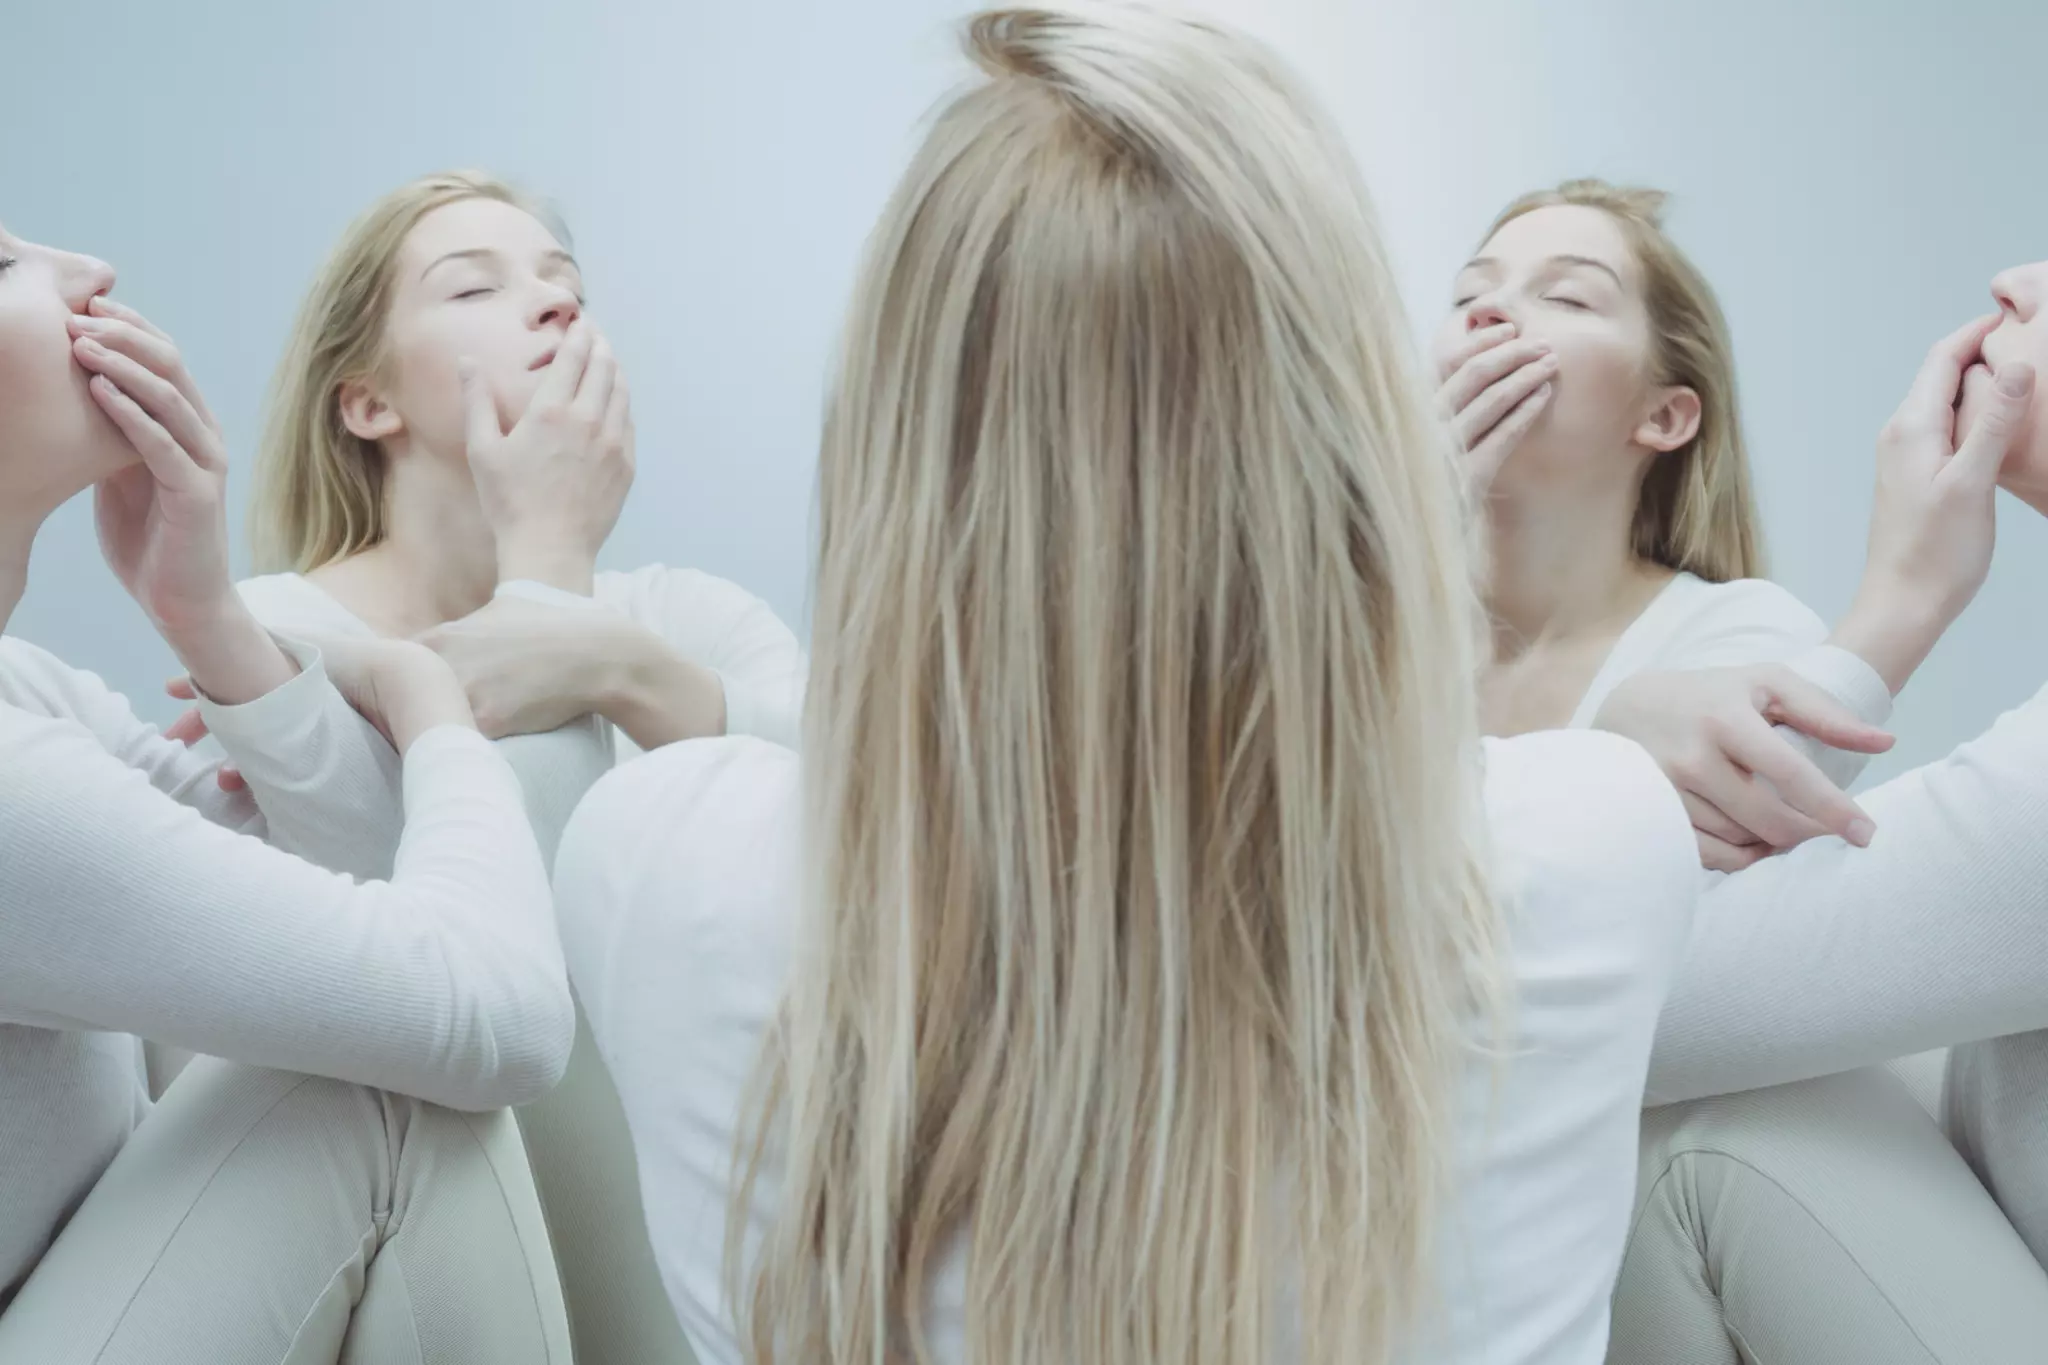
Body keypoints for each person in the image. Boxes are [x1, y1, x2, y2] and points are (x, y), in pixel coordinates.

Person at [552, 8, 1706, 1364]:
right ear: (1357, 428)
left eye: (1565, 293)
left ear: (889, 439)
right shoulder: (1595, 838)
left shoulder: (651, 861)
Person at [1434, 179, 2048, 1362]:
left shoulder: (1719, 634)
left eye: (1562, 294)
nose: (2012, 282)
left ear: (1665, 417)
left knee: (1698, 1114)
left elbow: (1622, 1002)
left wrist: (1898, 603)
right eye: (1467, 293)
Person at [206, 170, 811, 1364]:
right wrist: (547, 577)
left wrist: (622, 665)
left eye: (565, 287)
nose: (549, 307)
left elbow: (890, 835)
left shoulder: (689, 620)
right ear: (366, 401)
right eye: (474, 286)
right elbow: (480, 982)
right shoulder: (266, 637)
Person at [0, 230, 575, 1360]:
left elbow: (353, 886)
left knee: (377, 1068)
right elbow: (490, 1012)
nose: (91, 271)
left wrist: (205, 616)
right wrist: (427, 701)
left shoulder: (27, 691)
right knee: (384, 1094)